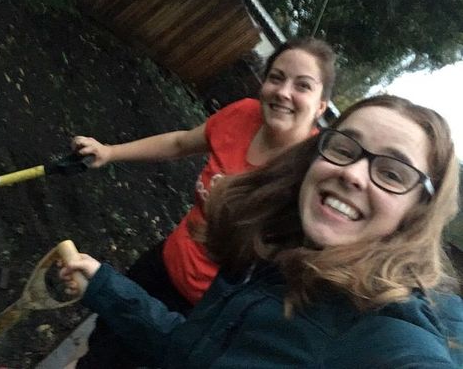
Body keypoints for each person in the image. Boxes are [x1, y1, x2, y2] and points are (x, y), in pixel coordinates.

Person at [61, 95, 463, 368]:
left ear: (419, 212)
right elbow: (196, 354)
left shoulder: (383, 331)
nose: (353, 174)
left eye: (392, 173)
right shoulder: (271, 249)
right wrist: (105, 287)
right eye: (344, 149)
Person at [70, 37, 336, 367]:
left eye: (303, 85)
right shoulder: (242, 114)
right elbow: (181, 142)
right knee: (103, 336)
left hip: (196, 309)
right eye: (277, 77)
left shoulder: (309, 174)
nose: (284, 92)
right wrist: (110, 152)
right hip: (163, 263)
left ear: (321, 106)